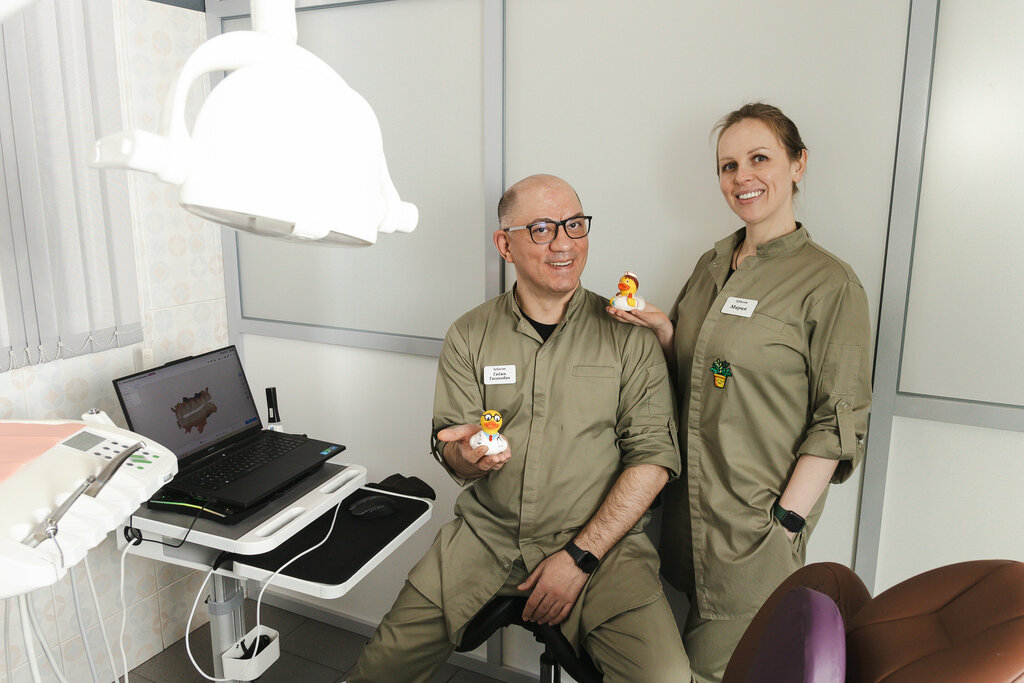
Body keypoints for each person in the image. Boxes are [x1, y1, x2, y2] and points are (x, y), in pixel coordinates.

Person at [349, 174, 691, 682]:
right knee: (379, 671)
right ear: (505, 245)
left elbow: (654, 461)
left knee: (665, 678)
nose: (564, 243)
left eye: (574, 225)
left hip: (603, 548)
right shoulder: (470, 334)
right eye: (542, 229)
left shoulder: (627, 337)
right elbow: (453, 448)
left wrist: (580, 557)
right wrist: (469, 456)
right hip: (486, 538)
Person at [606, 103, 872, 682]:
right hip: (686, 513)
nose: (741, 177)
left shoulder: (829, 284)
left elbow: (839, 421)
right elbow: (697, 374)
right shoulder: (711, 264)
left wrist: (786, 524)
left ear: (798, 164)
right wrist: (664, 331)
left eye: (759, 159)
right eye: (728, 165)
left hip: (753, 529)